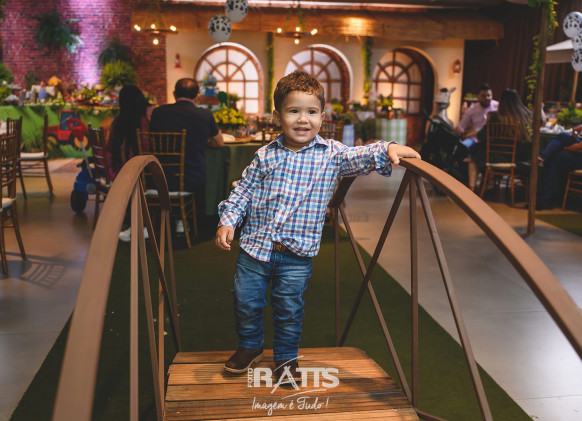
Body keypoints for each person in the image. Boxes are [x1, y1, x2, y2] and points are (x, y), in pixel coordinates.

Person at [215, 70, 420, 382]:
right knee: (245, 302)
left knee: (289, 310)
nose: (303, 119)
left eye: (311, 112)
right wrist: (228, 220)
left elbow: (360, 155)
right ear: (277, 116)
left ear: (322, 117)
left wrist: (387, 148)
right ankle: (250, 346)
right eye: (293, 111)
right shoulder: (264, 156)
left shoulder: (332, 155)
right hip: (255, 248)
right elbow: (243, 191)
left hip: (296, 255)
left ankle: (286, 359)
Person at [149, 78, 224, 231]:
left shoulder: (158, 113)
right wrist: (204, 141)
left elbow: (152, 139)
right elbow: (219, 142)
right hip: (191, 178)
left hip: (159, 177)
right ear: (197, 96)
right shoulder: (204, 114)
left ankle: (163, 221)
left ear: (174, 94)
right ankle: (184, 221)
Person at [469, 88, 532, 192]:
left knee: (475, 155)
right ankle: (491, 181)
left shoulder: (494, 117)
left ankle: (472, 188)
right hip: (518, 158)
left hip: (496, 157)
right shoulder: (525, 116)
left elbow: (483, 135)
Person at [108, 85, 149, 179]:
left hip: (119, 174)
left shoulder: (116, 122)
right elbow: (147, 148)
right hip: (142, 173)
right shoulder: (143, 122)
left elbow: (110, 148)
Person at [537, 132, 582, 210]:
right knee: (554, 156)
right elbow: (575, 132)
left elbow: (579, 148)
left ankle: (544, 199)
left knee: (554, 156)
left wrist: (563, 147)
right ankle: (545, 199)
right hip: (577, 154)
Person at [454, 83, 499, 150]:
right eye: (483, 96)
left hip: (492, 139)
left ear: (492, 96)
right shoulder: (472, 109)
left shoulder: (498, 106)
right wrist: (458, 129)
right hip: (474, 138)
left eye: (489, 95)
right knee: (462, 147)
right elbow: (461, 125)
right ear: (478, 97)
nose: (487, 98)